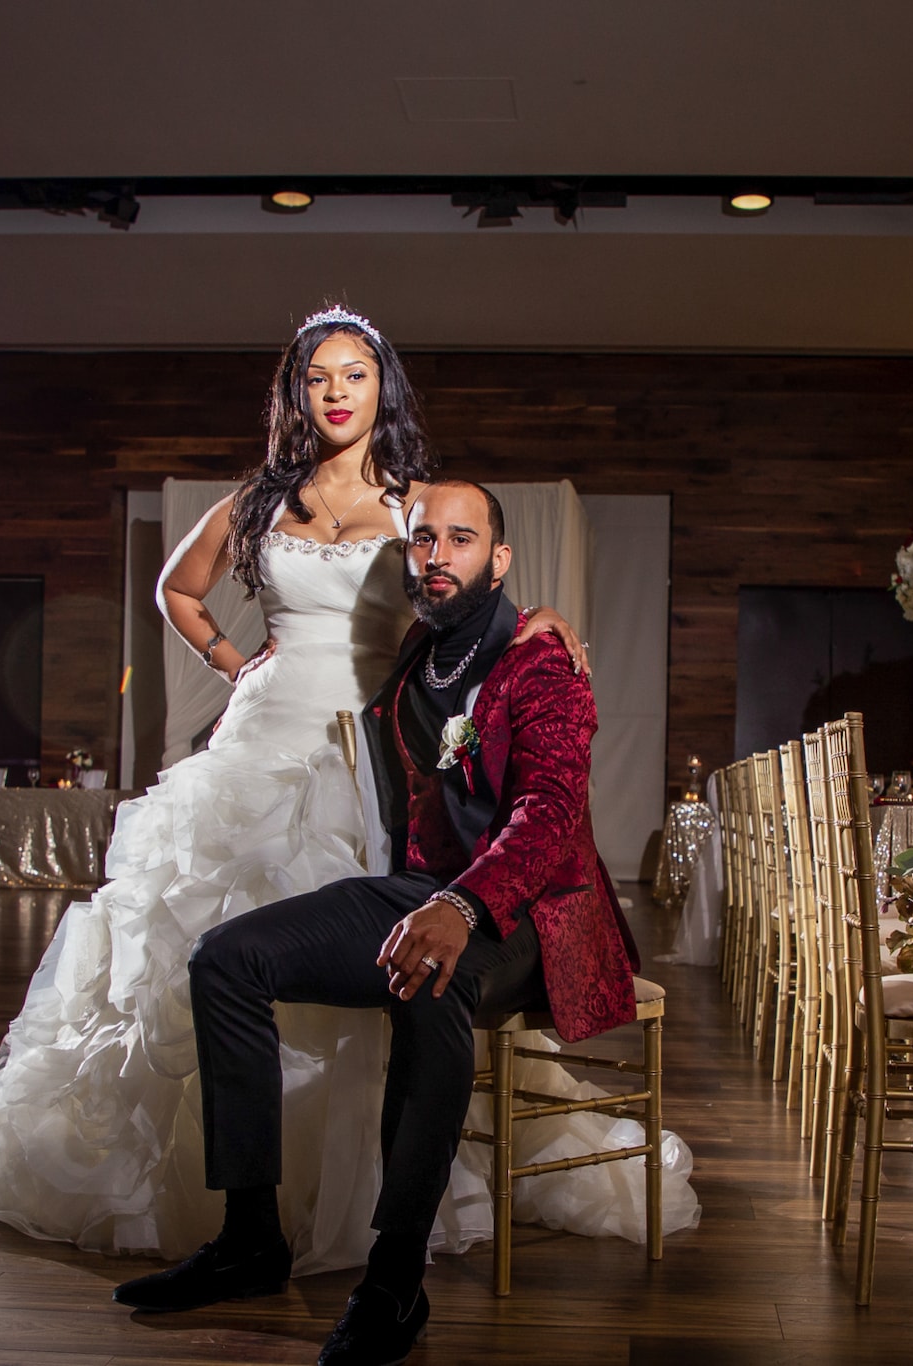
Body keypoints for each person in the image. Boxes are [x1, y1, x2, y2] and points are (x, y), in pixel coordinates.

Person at [0, 306, 694, 1276]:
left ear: (385, 391)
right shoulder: (260, 498)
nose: (336, 392)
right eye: (318, 377)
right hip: (258, 742)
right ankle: (232, 1209)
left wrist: (543, 612)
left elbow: (471, 594)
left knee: (374, 970)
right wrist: (229, 656)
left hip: (365, 752)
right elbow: (178, 589)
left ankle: (358, 1199)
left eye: (355, 375)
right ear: (296, 394)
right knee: (205, 951)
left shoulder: (418, 501)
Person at [114, 480, 636, 1365]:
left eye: (461, 540)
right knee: (225, 960)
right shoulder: (415, 657)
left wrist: (461, 904)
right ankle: (251, 1239)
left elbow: (548, 816)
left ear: (498, 559)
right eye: (423, 540)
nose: (436, 556)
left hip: (524, 916)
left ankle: (395, 1284)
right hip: (420, 892)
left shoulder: (543, 661)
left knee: (430, 985)